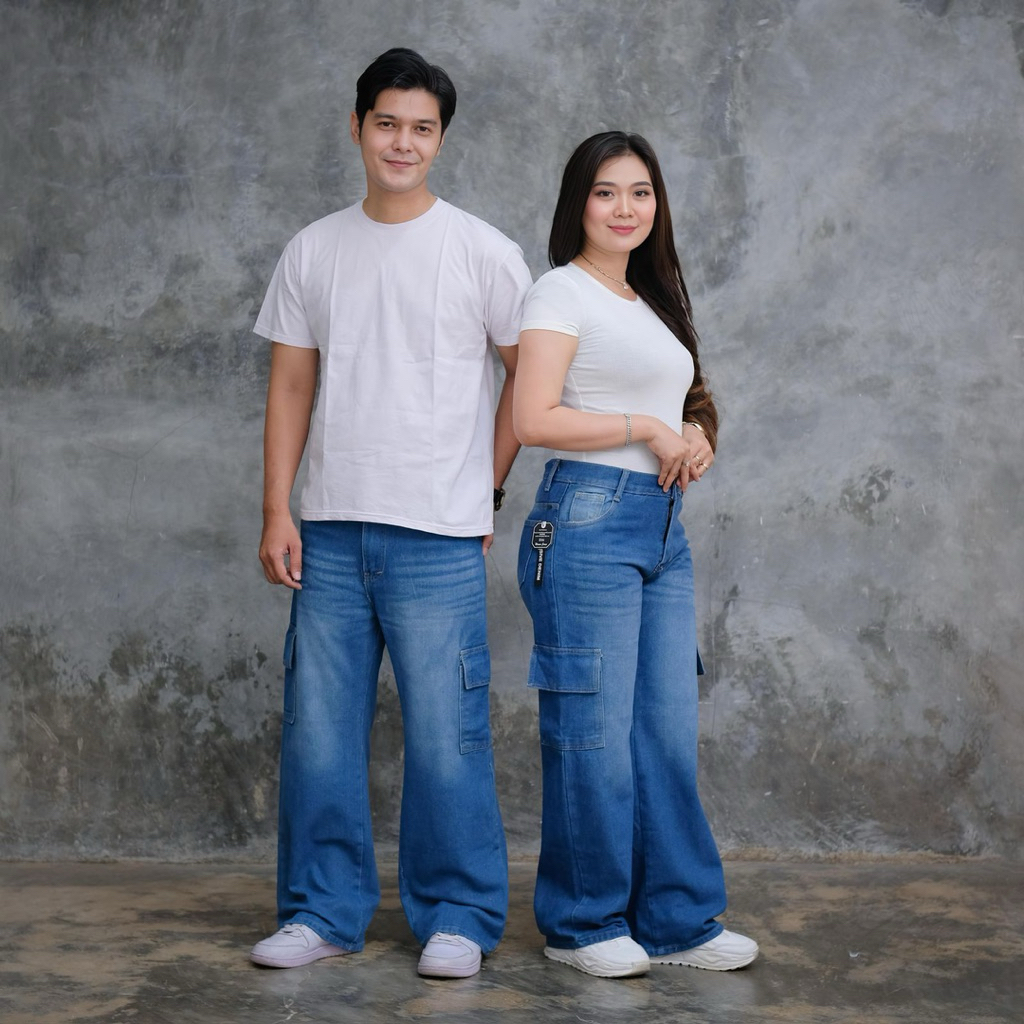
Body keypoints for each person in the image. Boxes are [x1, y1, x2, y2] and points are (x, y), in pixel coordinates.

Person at [249, 47, 532, 979]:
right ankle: (322, 912)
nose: (402, 142)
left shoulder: (482, 251)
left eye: (421, 128)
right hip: (329, 530)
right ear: (357, 127)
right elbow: (292, 386)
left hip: (439, 535)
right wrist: (278, 509)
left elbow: (529, 381)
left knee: (447, 737)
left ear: (440, 140)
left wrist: (485, 489)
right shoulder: (314, 249)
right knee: (318, 734)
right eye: (386, 124)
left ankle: (458, 916)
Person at [512, 131, 758, 978]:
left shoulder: (652, 298)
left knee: (663, 732)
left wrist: (696, 431)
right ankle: (582, 924)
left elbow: (690, 395)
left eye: (641, 192)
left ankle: (677, 922)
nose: (626, 208)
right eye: (607, 191)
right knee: (593, 733)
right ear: (578, 203)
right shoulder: (559, 292)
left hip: (660, 526)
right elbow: (533, 417)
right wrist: (646, 428)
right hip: (586, 521)